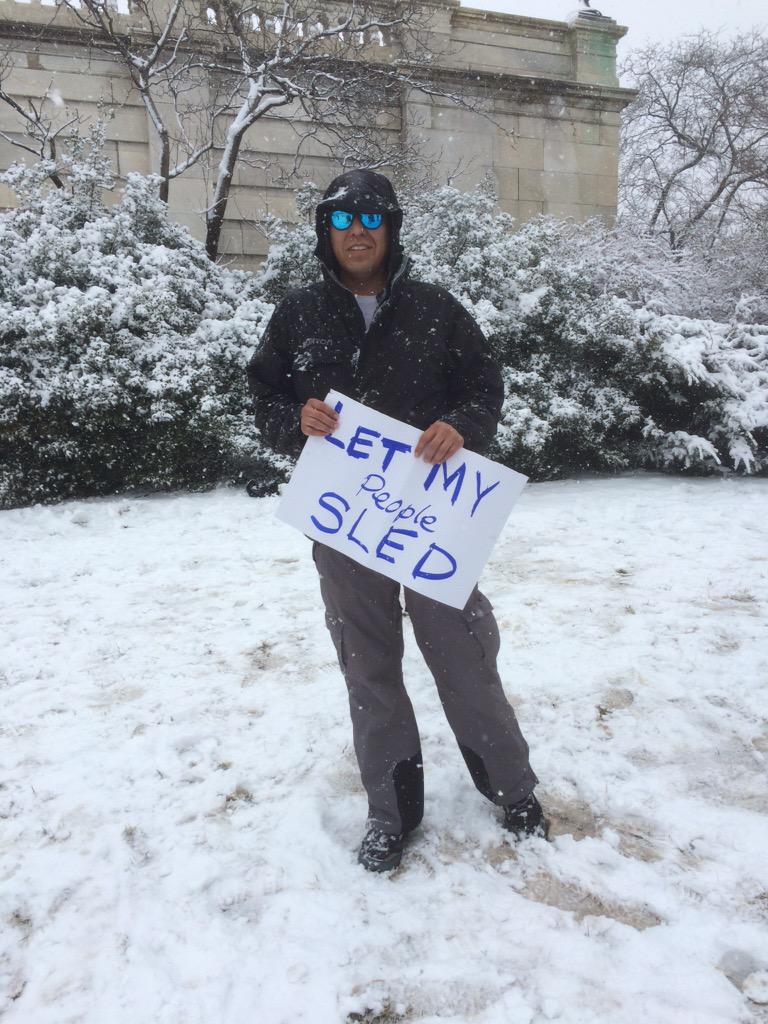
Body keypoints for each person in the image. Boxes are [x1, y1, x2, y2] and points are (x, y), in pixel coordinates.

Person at [247, 169, 547, 872]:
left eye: (371, 219)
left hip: (432, 522)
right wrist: (293, 419)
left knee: (463, 652)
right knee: (367, 662)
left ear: (391, 229)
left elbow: (484, 387)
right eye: (342, 220)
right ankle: (391, 810)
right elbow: (263, 393)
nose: (357, 232)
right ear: (325, 231)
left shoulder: (436, 309)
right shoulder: (298, 313)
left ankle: (513, 788)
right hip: (345, 521)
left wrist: (462, 425)